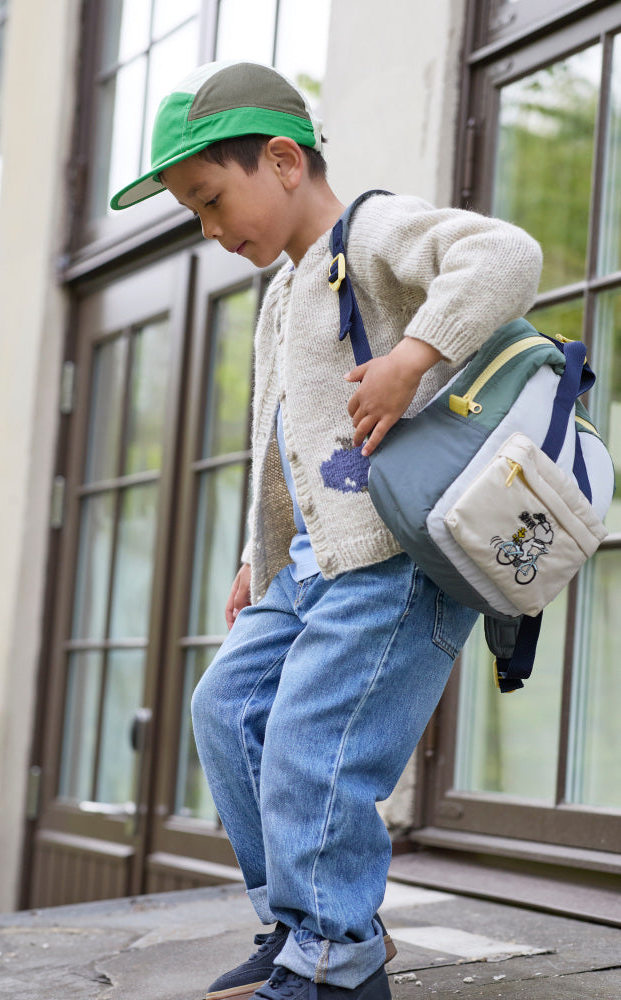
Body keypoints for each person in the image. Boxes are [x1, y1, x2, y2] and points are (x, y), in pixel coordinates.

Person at [111, 60, 542, 1000]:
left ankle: (335, 961)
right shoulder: (281, 293)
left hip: (392, 558)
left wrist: (413, 357)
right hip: (309, 561)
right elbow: (280, 443)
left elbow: (506, 254)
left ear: (281, 160)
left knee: (314, 746)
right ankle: (302, 924)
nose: (211, 229)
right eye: (195, 212)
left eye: (212, 200)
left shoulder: (374, 228)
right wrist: (252, 559)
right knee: (226, 710)